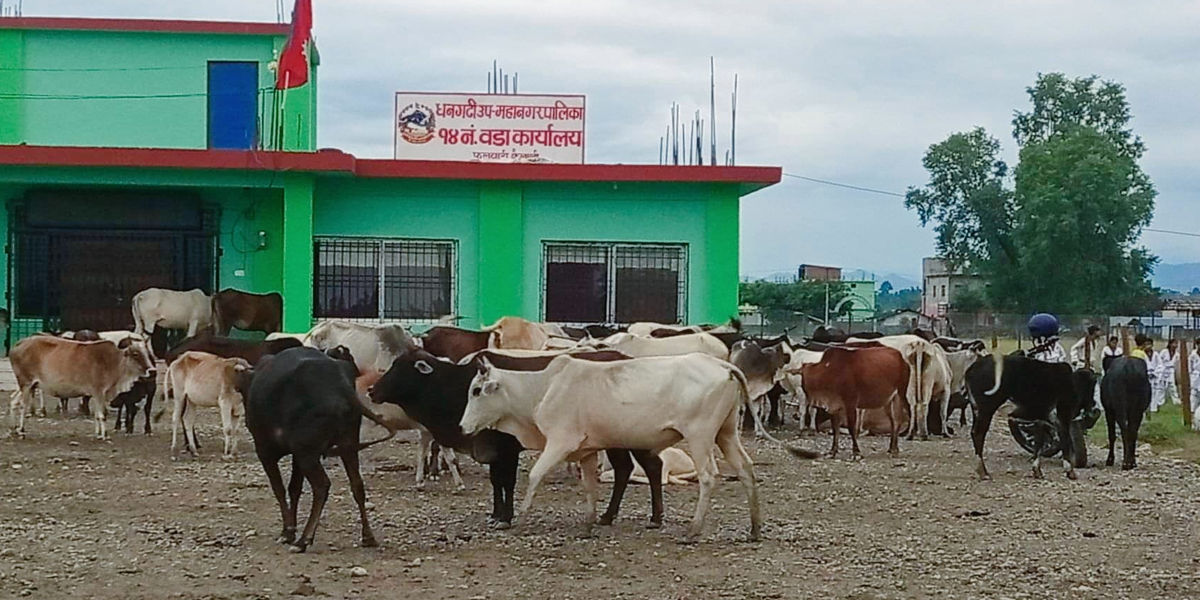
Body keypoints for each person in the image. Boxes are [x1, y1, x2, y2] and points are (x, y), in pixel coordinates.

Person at [1150, 339, 1181, 412]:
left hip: (1170, 371)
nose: (1175, 345)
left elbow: (1175, 364)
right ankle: (1160, 401)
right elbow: (1159, 362)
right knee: (1161, 386)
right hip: (1163, 370)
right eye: (1174, 343)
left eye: (1176, 344)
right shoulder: (1164, 352)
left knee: (1172, 386)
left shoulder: (1177, 354)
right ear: (1170, 344)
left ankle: (1176, 400)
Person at [1190, 338, 1200, 432]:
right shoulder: (1193, 354)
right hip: (1195, 379)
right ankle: (1193, 423)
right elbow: (1190, 368)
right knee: (1193, 403)